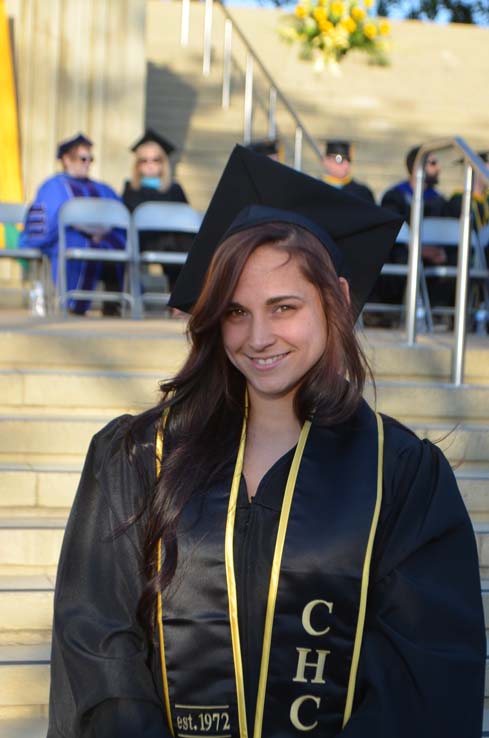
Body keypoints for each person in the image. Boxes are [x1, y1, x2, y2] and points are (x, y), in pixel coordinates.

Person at [47, 145, 485, 738]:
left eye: (284, 307)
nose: (259, 337)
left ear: (336, 301)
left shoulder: (400, 476)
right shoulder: (137, 457)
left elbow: (423, 679)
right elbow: (98, 641)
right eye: (235, 311)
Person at [19, 132, 125, 315]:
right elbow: (46, 224)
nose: (88, 163)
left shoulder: (101, 188)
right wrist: (78, 228)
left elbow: (120, 217)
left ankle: (114, 306)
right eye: (83, 158)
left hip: (103, 238)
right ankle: (71, 306)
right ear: (66, 160)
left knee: (119, 244)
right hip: (69, 239)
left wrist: (103, 231)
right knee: (72, 242)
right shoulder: (53, 186)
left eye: (90, 159)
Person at [372, 146, 451, 321]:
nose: (438, 168)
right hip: (403, 253)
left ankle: (442, 314)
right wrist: (420, 249)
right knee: (395, 256)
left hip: (432, 257)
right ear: (417, 168)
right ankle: (387, 312)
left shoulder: (439, 200)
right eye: (433, 163)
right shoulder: (395, 196)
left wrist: (437, 251)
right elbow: (392, 231)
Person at [122, 128, 190, 291]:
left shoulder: (175, 189)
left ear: (163, 162)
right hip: (145, 240)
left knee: (190, 245)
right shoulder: (131, 189)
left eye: (156, 160)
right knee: (171, 244)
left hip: (174, 241)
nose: (150, 165)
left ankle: (181, 300)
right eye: (144, 160)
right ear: (137, 165)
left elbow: (187, 220)